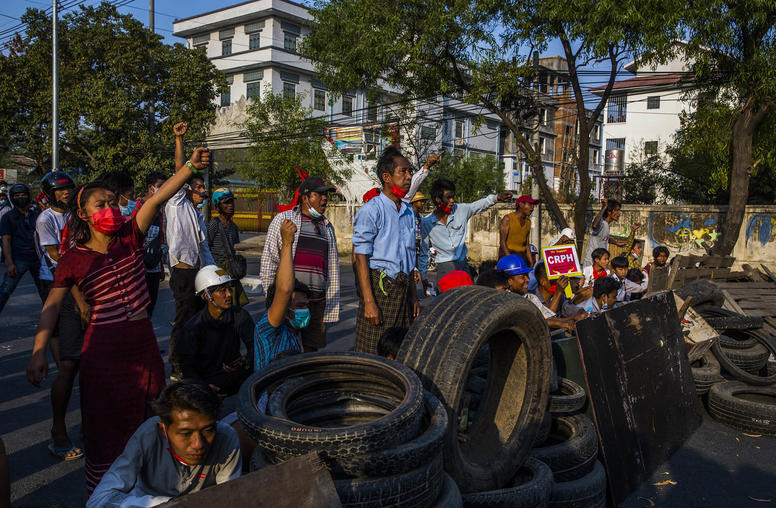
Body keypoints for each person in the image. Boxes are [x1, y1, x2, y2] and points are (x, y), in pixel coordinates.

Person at [26, 145, 212, 494]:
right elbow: (51, 305)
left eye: (114, 202)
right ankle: (105, 496)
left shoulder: (130, 236)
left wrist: (188, 167)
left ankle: (151, 491)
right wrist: (39, 350)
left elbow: (156, 201)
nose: (112, 209)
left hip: (142, 345)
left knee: (154, 418)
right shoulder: (73, 259)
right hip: (103, 351)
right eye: (102, 204)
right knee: (106, 428)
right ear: (83, 214)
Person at [87, 381, 241, 507]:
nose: (198, 444)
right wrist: (164, 504)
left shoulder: (226, 437)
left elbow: (228, 496)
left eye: (208, 430)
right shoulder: (148, 435)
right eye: (185, 433)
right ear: (163, 430)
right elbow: (99, 500)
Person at [35, 171, 85, 461]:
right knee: (69, 363)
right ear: (50, 193)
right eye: (60, 190)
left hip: (84, 287)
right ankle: (59, 431)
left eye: (69, 189)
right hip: (59, 284)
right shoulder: (46, 220)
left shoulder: (76, 215)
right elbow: (57, 256)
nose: (66, 193)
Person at [352, 146, 420, 355]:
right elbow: (360, 259)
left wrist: (413, 297)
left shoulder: (409, 211)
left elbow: (408, 259)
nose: (409, 176)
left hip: (402, 290)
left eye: (410, 171)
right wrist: (369, 302)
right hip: (380, 292)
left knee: (401, 350)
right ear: (387, 177)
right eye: (404, 172)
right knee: (373, 352)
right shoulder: (371, 210)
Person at [260, 176, 339, 352]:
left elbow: (332, 269)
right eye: (318, 194)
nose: (324, 198)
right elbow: (269, 261)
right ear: (305, 198)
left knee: (311, 350)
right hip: (289, 301)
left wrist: (330, 303)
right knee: (284, 346)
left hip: (316, 302)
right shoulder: (284, 220)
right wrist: (272, 296)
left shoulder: (327, 227)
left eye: (325, 194)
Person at [166, 122, 216, 376]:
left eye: (203, 188)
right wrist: (179, 141)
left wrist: (214, 272)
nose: (202, 191)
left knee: (199, 318)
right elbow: (179, 172)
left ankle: (193, 359)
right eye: (197, 187)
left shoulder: (197, 215)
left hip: (198, 272)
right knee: (183, 319)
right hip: (183, 272)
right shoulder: (176, 203)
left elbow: (203, 248)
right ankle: (176, 362)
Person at [177, 265, 254, 398]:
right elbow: (187, 368)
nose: (229, 294)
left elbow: (256, 346)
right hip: (206, 381)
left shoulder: (240, 315)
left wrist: (246, 361)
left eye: (229, 289)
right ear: (207, 295)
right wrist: (203, 387)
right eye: (222, 291)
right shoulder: (193, 327)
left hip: (235, 376)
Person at [419, 178, 511, 285]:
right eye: (448, 197)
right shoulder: (427, 222)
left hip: (463, 265)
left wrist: (497, 197)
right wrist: (423, 275)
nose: (452, 200)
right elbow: (424, 252)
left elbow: (480, 204)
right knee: (447, 299)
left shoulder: (461, 210)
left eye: (453, 197)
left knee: (467, 298)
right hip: (444, 267)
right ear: (438, 199)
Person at [254, 220, 308, 372]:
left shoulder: (294, 336)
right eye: (300, 306)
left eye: (305, 305)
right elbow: (284, 289)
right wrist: (287, 243)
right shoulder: (268, 331)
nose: (305, 311)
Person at [496, 255, 576, 334]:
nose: (528, 279)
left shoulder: (530, 297)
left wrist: (571, 320)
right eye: (522, 277)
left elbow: (547, 317)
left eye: (527, 275)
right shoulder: (504, 301)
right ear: (509, 281)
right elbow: (535, 322)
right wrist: (562, 323)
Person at [0, 183, 47, 314]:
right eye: (17, 195)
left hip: (37, 259)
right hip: (18, 259)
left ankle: (53, 325)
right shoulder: (7, 217)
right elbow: (6, 240)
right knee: (5, 291)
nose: (21, 198)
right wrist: (10, 263)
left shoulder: (36, 214)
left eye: (23, 195)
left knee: (45, 291)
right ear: (12, 198)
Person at [134, 171, 169, 317]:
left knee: (150, 307)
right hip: (139, 268)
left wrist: (160, 266)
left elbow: (158, 241)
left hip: (153, 267)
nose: (163, 190)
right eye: (159, 186)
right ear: (150, 187)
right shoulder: (138, 207)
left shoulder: (160, 211)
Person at [208, 188, 248, 308]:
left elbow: (235, 248)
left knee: (235, 304)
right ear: (218, 206)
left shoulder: (233, 227)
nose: (230, 206)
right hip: (218, 271)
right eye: (226, 202)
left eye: (231, 202)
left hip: (230, 271)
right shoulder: (214, 224)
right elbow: (206, 246)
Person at [582, 198, 640, 266]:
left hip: (600, 263)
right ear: (609, 212)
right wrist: (604, 207)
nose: (619, 213)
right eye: (617, 210)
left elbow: (604, 237)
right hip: (591, 263)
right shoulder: (602, 223)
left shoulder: (606, 225)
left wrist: (616, 242)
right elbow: (594, 226)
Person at [499, 195, 540, 264]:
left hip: (521, 256)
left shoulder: (528, 222)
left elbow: (526, 244)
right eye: (530, 204)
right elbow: (502, 242)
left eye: (533, 205)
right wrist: (511, 259)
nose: (532, 208)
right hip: (507, 255)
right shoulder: (508, 219)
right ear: (521, 205)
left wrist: (531, 262)